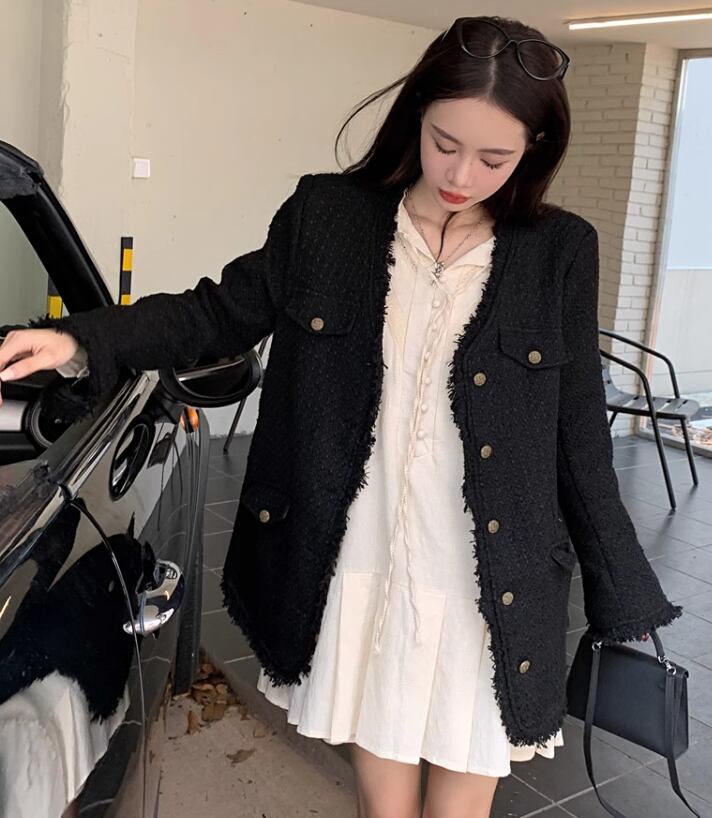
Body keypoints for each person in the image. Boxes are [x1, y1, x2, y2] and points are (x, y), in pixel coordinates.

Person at [0, 16, 678, 818]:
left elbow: (578, 436)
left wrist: (623, 596)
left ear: (534, 148)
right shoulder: (329, 216)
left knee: (464, 792)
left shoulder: (559, 249)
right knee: (381, 798)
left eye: (495, 158)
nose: (462, 174)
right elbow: (216, 314)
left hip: (491, 579)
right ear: (416, 114)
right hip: (361, 559)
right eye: (444, 143)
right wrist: (80, 339)